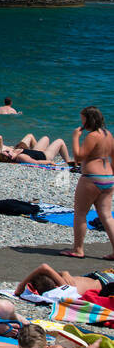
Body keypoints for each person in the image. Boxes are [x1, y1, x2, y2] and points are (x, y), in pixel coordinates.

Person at [62, 106, 114, 260]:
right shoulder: (108, 135)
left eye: (83, 119)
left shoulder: (92, 136)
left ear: (88, 119)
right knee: (106, 216)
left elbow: (78, 157)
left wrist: (75, 137)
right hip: (108, 179)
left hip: (91, 177)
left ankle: (78, 249)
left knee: (80, 213)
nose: (81, 122)